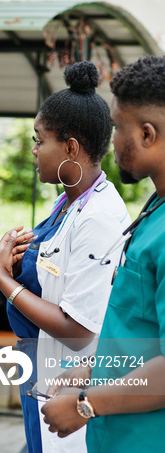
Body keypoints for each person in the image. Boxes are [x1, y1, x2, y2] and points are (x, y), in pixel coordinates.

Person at [0, 61, 130, 453]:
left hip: (68, 379)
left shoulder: (100, 219)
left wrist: (3, 280)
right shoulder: (66, 203)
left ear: (70, 147)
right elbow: (56, 274)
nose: (34, 150)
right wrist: (20, 263)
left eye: (40, 140)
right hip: (39, 367)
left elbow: (77, 330)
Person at [41, 56, 165, 453]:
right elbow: (139, 332)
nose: (110, 142)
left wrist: (86, 405)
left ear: (147, 134)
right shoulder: (154, 210)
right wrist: (91, 371)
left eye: (117, 129)